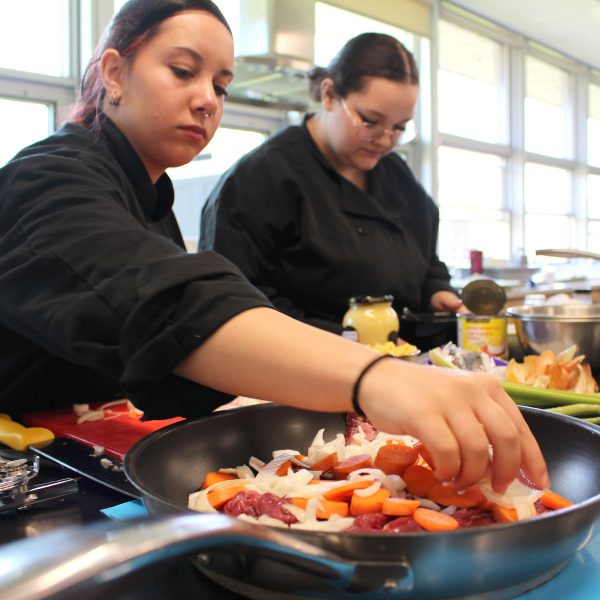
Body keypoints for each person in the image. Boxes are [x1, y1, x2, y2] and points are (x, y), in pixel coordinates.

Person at [0, 0, 548, 494]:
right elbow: (165, 303)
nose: (206, 100)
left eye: (220, 85)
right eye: (183, 72)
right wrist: (375, 376)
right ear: (115, 73)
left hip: (78, 449)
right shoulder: (47, 178)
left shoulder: (148, 195)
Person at [200, 33, 464, 338]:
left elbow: (425, 258)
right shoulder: (264, 177)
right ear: (328, 95)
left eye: (399, 127)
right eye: (369, 120)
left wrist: (437, 291)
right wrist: (342, 341)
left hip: (400, 361)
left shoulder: (395, 173)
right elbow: (235, 299)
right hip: (302, 367)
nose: (385, 139)